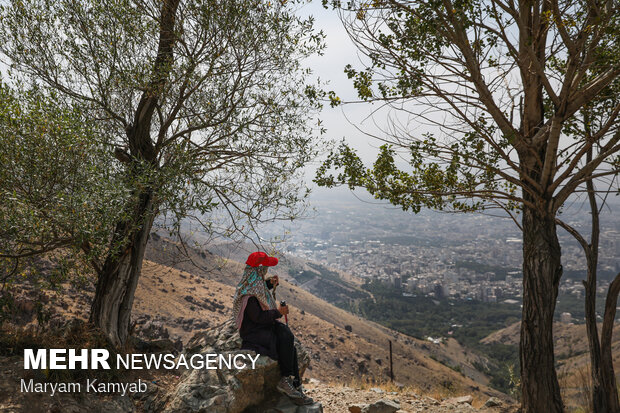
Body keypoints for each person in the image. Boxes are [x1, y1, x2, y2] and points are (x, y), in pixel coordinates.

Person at [232, 251, 313, 405]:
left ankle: (293, 382)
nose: (266, 271)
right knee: (281, 340)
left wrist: (269, 284)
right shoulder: (248, 294)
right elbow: (258, 317)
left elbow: (260, 292)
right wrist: (278, 312)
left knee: (287, 338)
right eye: (265, 268)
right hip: (254, 331)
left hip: (262, 326)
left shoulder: (253, 283)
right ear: (259, 270)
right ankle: (287, 381)